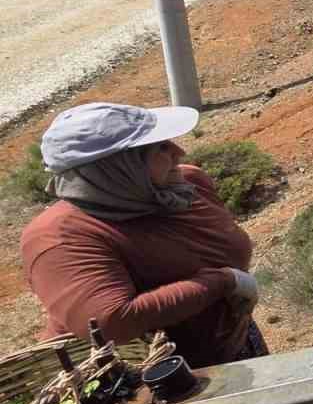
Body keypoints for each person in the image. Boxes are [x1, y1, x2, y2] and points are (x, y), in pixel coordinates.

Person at [20, 103, 265, 368]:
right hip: (143, 384)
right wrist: (221, 282)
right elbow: (111, 322)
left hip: (232, 344)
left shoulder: (185, 187)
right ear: (116, 168)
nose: (179, 151)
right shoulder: (61, 237)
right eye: (159, 147)